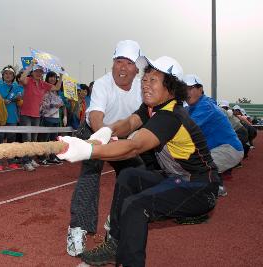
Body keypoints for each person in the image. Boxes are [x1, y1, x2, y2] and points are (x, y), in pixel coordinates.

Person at [57, 56, 219, 267]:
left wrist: (88, 150)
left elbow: (134, 147)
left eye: (153, 80)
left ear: (170, 88)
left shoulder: (171, 116)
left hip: (200, 187)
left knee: (136, 206)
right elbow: (130, 122)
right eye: (145, 79)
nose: (145, 84)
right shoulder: (152, 107)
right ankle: (115, 245)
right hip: (177, 178)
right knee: (129, 176)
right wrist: (108, 130)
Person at [66, 40, 144, 257]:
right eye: (119, 61)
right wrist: (103, 137)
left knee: (136, 176)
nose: (123, 68)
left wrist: (120, 139)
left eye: (129, 63)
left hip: (123, 136)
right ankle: (77, 228)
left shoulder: (141, 88)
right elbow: (96, 116)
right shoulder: (102, 84)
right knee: (90, 176)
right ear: (113, 64)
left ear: (137, 69)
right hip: (94, 132)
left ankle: (115, 223)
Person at [184, 74, 243, 197]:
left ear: (200, 89)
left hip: (229, 150)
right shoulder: (193, 107)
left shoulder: (204, 106)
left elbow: (183, 130)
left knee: (194, 168)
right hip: (219, 148)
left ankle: (213, 188)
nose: (186, 92)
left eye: (190, 88)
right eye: (184, 89)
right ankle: (217, 184)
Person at [19, 60, 63, 171]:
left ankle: (30, 158)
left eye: (41, 72)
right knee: (27, 139)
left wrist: (61, 75)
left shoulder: (43, 84)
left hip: (36, 115)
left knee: (33, 139)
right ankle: (26, 161)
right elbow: (21, 79)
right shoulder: (28, 80)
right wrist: (31, 65)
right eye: (37, 71)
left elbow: (57, 88)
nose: (39, 73)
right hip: (26, 114)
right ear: (33, 73)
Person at [0, 65, 23, 171]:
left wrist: (18, 99)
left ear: (13, 76)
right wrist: (1, 100)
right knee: (0, 138)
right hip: (1, 116)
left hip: (12, 117)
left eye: (10, 73)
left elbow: (21, 99)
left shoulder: (17, 86)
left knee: (11, 139)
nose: (8, 75)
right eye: (6, 73)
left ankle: (11, 161)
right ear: (2, 75)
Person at [38, 71, 64, 165]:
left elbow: (61, 103)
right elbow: (44, 104)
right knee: (45, 138)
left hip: (56, 118)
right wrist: (54, 105)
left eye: (54, 77)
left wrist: (61, 75)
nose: (52, 79)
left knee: (54, 139)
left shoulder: (57, 91)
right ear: (47, 78)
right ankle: (42, 157)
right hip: (47, 117)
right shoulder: (45, 88)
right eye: (50, 77)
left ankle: (52, 156)